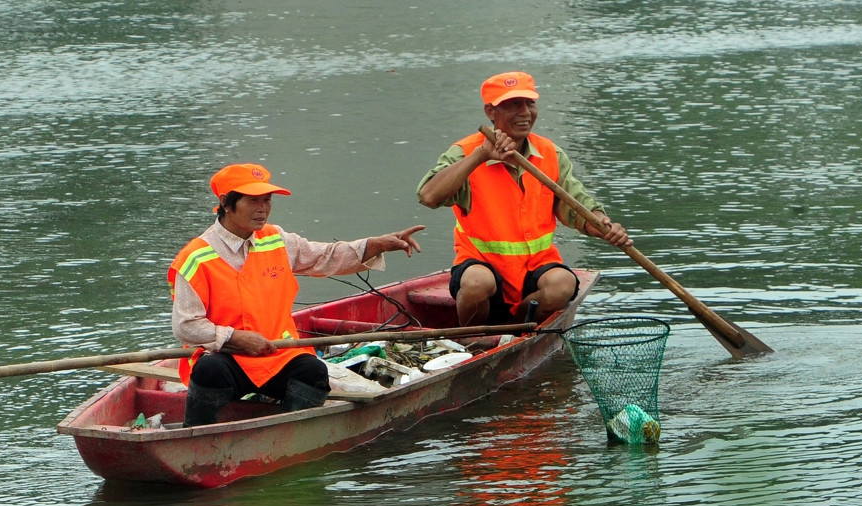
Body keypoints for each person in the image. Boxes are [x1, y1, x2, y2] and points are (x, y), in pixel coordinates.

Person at [169, 162, 426, 427]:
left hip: (277, 354)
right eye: (253, 201)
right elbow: (186, 326)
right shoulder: (195, 257)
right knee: (208, 370)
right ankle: (196, 433)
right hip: (227, 358)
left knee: (313, 371)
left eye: (267, 200)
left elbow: (325, 257)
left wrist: (378, 244)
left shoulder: (275, 238)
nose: (263, 209)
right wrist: (236, 338)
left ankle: (287, 434)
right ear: (225, 202)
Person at [417, 71, 633, 326]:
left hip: (537, 266)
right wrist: (481, 156)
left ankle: (516, 330)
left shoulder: (549, 153)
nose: (525, 112)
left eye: (529, 103)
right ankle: (473, 343)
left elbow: (576, 204)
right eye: (512, 105)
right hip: (481, 265)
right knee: (476, 283)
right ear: (490, 111)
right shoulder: (465, 152)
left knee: (563, 285)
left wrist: (602, 225)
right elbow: (429, 196)